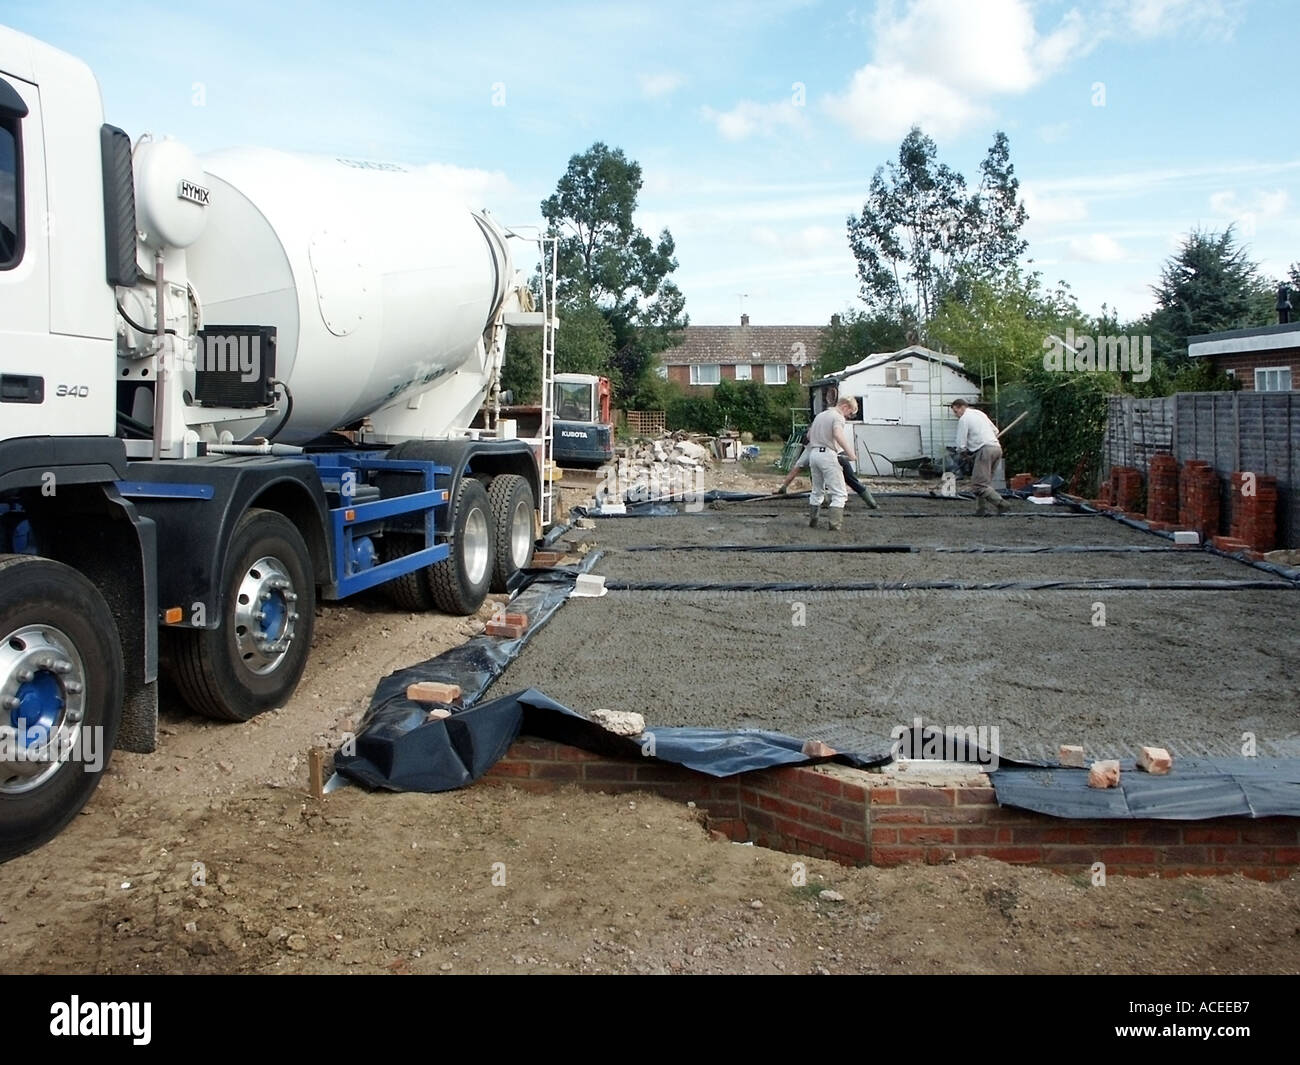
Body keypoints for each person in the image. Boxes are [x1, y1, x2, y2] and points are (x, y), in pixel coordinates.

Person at [777, 430, 878, 508]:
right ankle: (871, 502)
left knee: (816, 476)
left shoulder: (809, 450)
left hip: (828, 460)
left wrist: (784, 487)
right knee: (852, 481)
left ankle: (823, 501)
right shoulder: (826, 438)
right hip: (841, 457)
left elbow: (796, 469)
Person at [804, 396, 859, 530]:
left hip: (814, 454)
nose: (848, 417)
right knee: (840, 493)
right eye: (850, 413)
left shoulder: (820, 416)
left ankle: (813, 521)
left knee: (817, 491)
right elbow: (838, 434)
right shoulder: (838, 417)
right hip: (827, 455)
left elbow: (809, 436)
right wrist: (850, 453)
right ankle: (834, 525)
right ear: (845, 407)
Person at [950, 398, 1009, 515]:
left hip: (985, 451)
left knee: (978, 485)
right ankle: (980, 510)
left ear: (962, 407)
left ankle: (1002, 504)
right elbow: (996, 431)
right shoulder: (980, 414)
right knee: (984, 483)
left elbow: (961, 442)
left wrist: (963, 453)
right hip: (996, 448)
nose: (956, 415)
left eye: (956, 412)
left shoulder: (964, 419)